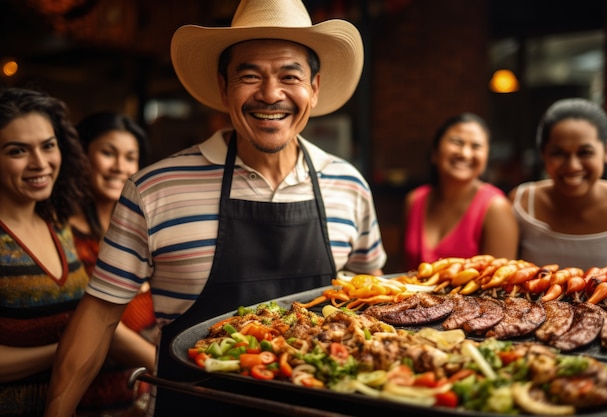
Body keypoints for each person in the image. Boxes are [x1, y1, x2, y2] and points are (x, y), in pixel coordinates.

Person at [46, 1, 387, 416]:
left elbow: (375, 305)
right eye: (250, 75)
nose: (270, 93)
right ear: (224, 88)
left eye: (289, 76)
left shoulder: (348, 185)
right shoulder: (154, 189)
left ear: (314, 88)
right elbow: (98, 317)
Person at [0, 87, 154, 417]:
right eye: (17, 151)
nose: (39, 163)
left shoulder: (57, 225)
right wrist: (77, 350)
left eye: (48, 146)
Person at [69, 112, 156, 416]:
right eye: (108, 153)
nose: (120, 167)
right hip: (89, 402)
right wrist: (172, 370)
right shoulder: (63, 236)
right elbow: (101, 326)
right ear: (81, 155)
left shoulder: (142, 232)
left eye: (131, 157)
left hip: (140, 400)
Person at [509, 98, 607, 270]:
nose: (573, 166)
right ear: (543, 154)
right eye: (558, 153)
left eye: (585, 152)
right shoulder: (523, 203)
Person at [404, 112, 519, 270]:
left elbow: (500, 285)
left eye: (476, 146)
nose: (465, 154)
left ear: (486, 158)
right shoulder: (415, 200)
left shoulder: (496, 208)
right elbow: (401, 272)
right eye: (457, 142)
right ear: (434, 152)